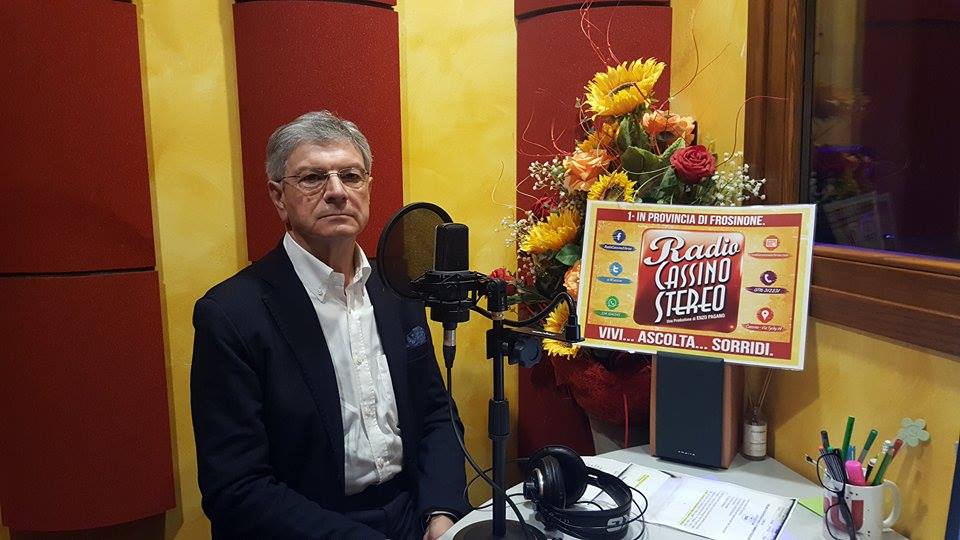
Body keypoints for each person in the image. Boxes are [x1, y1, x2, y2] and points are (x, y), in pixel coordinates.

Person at [191, 111, 467, 539]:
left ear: (368, 188)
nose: (337, 192)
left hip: (413, 513)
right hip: (308, 526)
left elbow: (435, 412)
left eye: (351, 176)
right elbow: (237, 489)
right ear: (278, 197)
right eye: (313, 178)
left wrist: (442, 513)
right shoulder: (231, 315)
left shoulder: (397, 288)